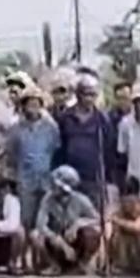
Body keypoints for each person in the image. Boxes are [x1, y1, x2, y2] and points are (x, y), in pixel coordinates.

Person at [54, 75, 115, 213]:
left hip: (93, 178)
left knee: (93, 216)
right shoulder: (65, 118)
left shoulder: (102, 120)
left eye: (93, 95)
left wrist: (107, 177)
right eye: (86, 94)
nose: (89, 99)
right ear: (78, 95)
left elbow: (108, 150)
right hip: (69, 176)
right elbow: (59, 148)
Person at [7, 88, 62, 233]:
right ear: (23, 106)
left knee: (45, 220)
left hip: (46, 179)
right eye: (29, 104)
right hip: (25, 180)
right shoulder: (15, 129)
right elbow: (11, 154)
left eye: (36, 104)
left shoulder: (51, 127)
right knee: (26, 220)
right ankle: (25, 253)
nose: (33, 108)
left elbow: (55, 149)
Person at [34, 166, 102, 274]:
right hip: (56, 239)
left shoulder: (81, 199)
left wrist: (79, 224)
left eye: (56, 186)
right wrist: (58, 241)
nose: (53, 188)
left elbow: (99, 219)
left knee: (92, 234)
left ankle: (82, 264)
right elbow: (40, 225)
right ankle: (54, 265)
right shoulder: (47, 200)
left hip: (75, 239)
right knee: (35, 235)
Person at [109, 176, 140, 275]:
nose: (128, 202)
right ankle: (118, 265)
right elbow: (109, 217)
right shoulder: (119, 205)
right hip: (123, 240)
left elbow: (137, 227)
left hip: (139, 238)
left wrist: (119, 221)